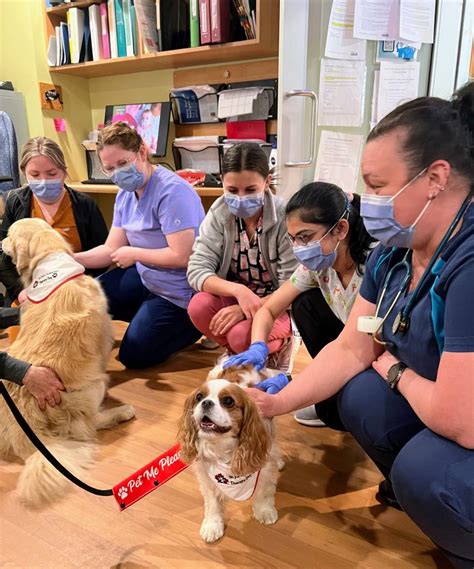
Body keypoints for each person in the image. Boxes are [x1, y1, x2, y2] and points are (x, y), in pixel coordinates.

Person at [247, 84, 474, 568]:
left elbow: (462, 422)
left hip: (464, 418)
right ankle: (428, 503)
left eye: (376, 185)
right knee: (359, 399)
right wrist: (276, 400)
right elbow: (352, 347)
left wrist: (393, 368)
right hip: (440, 399)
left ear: (434, 177)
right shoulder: (393, 254)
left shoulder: (468, 264)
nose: (366, 200)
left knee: (424, 471)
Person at [224, 181, 375, 427]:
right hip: (349, 344)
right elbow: (269, 308)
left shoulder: (371, 267)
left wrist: (291, 388)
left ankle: (333, 397)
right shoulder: (317, 267)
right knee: (304, 302)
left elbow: (361, 346)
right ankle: (326, 393)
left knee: (339, 413)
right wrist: (257, 346)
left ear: (340, 229)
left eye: (306, 237)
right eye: (293, 239)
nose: (299, 248)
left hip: (374, 350)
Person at [75, 122, 205, 369]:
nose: (117, 173)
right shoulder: (125, 193)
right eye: (110, 168)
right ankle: (148, 316)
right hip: (147, 277)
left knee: (133, 356)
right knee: (87, 300)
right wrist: (70, 258)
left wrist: (134, 253)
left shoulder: (173, 192)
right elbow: (110, 250)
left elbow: (183, 257)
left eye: (123, 164)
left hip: (180, 289)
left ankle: (195, 324)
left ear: (142, 152)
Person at [187, 142, 298, 361]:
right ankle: (243, 352)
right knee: (198, 306)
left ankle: (283, 341)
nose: (240, 198)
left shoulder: (286, 216)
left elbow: (292, 286)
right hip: (241, 297)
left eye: (250, 190)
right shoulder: (219, 212)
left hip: (277, 302)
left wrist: (247, 306)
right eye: (232, 190)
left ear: (266, 183)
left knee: (240, 336)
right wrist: (239, 292)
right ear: (222, 181)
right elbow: (197, 270)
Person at [0, 136, 108, 304]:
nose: (43, 181)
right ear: (24, 174)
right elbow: (3, 257)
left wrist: (77, 287)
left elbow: (102, 257)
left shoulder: (85, 205)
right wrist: (21, 292)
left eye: (51, 174)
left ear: (64, 171)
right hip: (28, 292)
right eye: (34, 175)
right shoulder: (16, 203)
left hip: (73, 290)